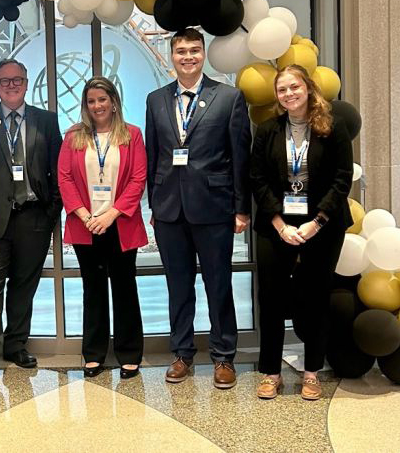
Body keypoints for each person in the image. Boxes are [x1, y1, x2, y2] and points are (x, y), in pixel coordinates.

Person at [145, 28, 251, 389]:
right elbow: (153, 155)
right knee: (178, 286)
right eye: (180, 51)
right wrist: (154, 204)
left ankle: (223, 357)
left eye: (193, 50)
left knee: (218, 284)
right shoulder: (156, 99)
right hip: (169, 210)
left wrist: (241, 209)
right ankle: (182, 354)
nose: (187, 57)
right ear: (172, 56)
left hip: (215, 209)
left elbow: (240, 157)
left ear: (203, 54)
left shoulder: (228, 97)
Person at [250, 64, 353, 400]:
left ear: (308, 88)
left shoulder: (332, 128)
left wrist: (314, 224)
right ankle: (270, 371)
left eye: (294, 87)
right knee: (271, 298)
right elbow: (258, 180)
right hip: (275, 226)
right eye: (282, 89)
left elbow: (342, 180)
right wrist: (280, 225)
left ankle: (311, 372)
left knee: (316, 297)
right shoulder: (267, 131)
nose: (289, 94)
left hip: (322, 225)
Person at [0, 59, 62, 388]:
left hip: (35, 217)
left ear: (25, 81)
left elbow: (57, 169)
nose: (11, 85)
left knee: (24, 287)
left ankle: (16, 344)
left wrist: (52, 215)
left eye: (17, 79)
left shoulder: (45, 121)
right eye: (4, 81)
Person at [58, 76, 147, 379]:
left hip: (120, 224)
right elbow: (65, 179)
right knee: (92, 289)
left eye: (102, 99)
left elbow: (138, 179)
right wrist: (85, 216)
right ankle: (93, 353)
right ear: (85, 105)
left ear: (113, 102)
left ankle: (129, 353)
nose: (97, 105)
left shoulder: (131, 135)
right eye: (91, 101)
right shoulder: (74, 136)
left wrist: (111, 215)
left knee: (125, 289)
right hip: (86, 225)